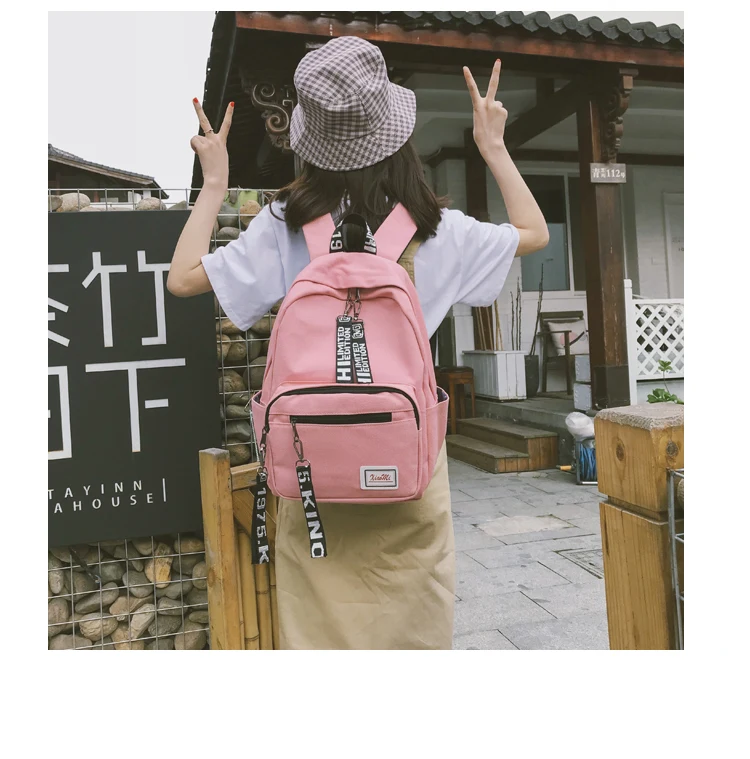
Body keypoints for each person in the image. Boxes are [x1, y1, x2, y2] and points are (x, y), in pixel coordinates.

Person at [168, 36, 548, 650]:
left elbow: (182, 278)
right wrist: (493, 146)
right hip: (407, 466)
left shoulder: (283, 224)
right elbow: (533, 232)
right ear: (397, 135)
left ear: (311, 140)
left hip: (312, 474)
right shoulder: (439, 230)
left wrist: (215, 184)